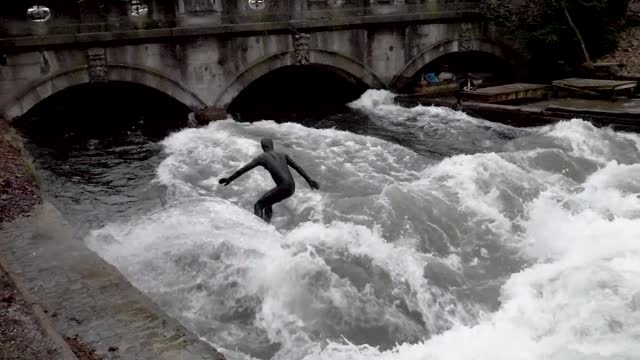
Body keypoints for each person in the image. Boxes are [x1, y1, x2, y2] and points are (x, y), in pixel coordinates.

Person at [219, 138, 320, 223]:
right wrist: (309, 180)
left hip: (282, 187)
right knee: (268, 203)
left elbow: (243, 170)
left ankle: (259, 229)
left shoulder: (262, 157)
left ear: (263, 147)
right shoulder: (283, 154)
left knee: (258, 205)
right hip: (291, 187)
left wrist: (229, 179)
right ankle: (266, 225)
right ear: (272, 145)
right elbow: (297, 167)